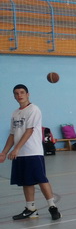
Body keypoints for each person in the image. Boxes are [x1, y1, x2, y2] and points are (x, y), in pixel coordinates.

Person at [0, 84, 61, 221]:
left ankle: (53, 207)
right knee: (26, 181)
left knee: (41, 179)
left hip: (33, 152)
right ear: (14, 96)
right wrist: (4, 152)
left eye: (22, 92)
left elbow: (29, 131)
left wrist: (16, 149)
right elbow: (12, 134)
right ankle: (31, 209)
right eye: (16, 93)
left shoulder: (34, 109)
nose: (19, 95)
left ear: (28, 94)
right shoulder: (15, 113)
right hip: (19, 154)